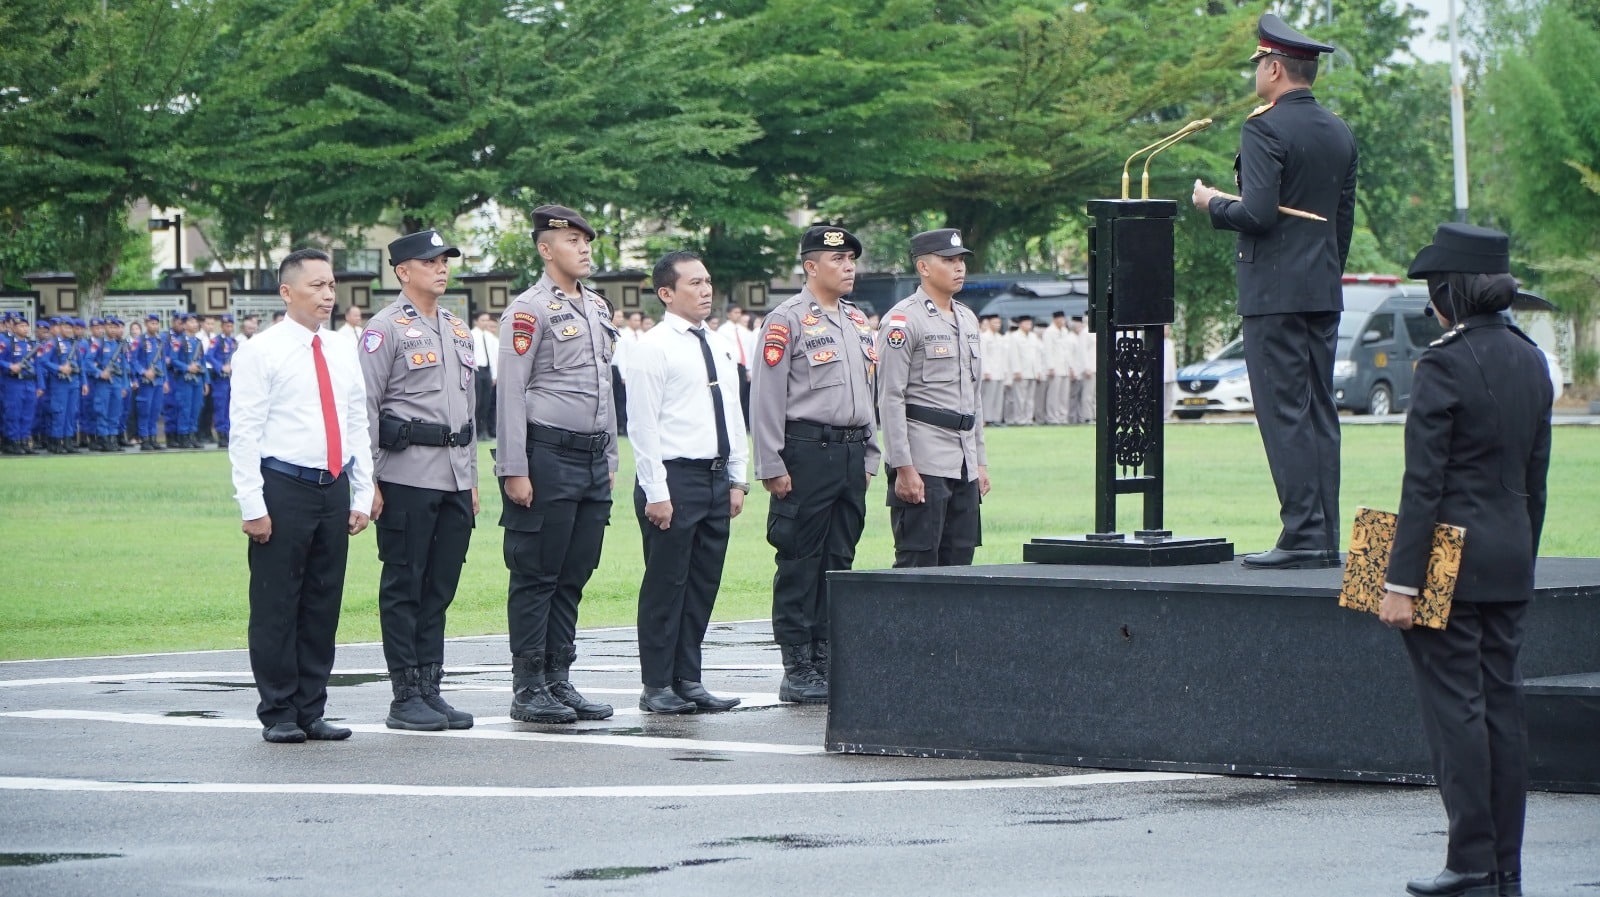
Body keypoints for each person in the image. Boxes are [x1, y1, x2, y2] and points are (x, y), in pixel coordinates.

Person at [1378, 224, 1552, 897]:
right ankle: (1503, 865)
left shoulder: (1443, 364)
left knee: (1457, 712)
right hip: (1509, 554)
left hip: (1445, 561)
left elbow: (1424, 486)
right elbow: (1535, 482)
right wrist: (1520, 559)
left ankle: (1470, 861)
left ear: (1449, 290)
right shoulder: (1530, 359)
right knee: (1503, 712)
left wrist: (1399, 582)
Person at [1192, 12, 1357, 570]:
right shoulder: (1338, 130)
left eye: (1260, 64)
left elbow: (1258, 214)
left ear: (1277, 68)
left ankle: (1302, 534)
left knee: (1284, 412)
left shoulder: (1263, 127)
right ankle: (1322, 532)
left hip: (1274, 294)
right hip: (1320, 288)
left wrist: (1212, 203)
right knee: (1318, 413)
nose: (1256, 73)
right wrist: (1322, 271)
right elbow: (1342, 222)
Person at [228, 248, 374, 744]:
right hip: (283, 486)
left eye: (331, 285)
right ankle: (279, 712)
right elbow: (243, 431)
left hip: (332, 485)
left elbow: (356, 420)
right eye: (316, 285)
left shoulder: (340, 346)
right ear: (287, 292)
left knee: (321, 603)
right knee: (277, 604)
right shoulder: (260, 350)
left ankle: (312, 707)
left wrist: (362, 490)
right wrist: (253, 504)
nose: (327, 295)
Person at [494, 204, 619, 724]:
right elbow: (511, 395)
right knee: (537, 573)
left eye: (587, 241)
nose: (584, 249)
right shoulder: (528, 310)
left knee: (574, 573)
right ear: (546, 250)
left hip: (592, 458)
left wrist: (610, 454)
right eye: (572, 242)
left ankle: (558, 678)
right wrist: (514, 468)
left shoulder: (597, 306)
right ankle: (528, 687)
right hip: (546, 455)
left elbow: (605, 388)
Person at [748, 225, 880, 704]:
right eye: (839, 259)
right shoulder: (786, 321)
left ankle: (826, 655)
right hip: (805, 452)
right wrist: (771, 463)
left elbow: (868, 395)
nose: (849, 267)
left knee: (839, 560)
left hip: (849, 453)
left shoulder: (856, 320)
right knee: (800, 561)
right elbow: (765, 398)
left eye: (851, 259)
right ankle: (797, 664)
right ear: (810, 266)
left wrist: (870, 454)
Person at [360, 229, 479, 732]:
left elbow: (469, 410)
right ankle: (404, 694)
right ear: (402, 271)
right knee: (405, 584)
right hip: (406, 474)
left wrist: (471, 478)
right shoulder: (384, 329)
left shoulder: (456, 328)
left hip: (453, 476)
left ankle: (431, 689)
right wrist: (366, 480)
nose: (441, 267)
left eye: (445, 260)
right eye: (429, 261)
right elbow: (364, 406)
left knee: (440, 587)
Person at [627, 250, 749, 714]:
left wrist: (737, 477)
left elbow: (732, 414)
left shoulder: (716, 343)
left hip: (715, 477)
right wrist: (656, 491)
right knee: (666, 583)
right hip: (674, 477)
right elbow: (642, 426)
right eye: (694, 283)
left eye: (708, 281)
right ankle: (657, 683)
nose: (705, 290)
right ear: (666, 293)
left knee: (702, 583)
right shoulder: (652, 347)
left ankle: (688, 677)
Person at [876, 229, 991, 568]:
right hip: (924, 458)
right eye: (949, 260)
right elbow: (890, 398)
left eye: (961, 261)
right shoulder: (903, 320)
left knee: (960, 561)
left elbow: (974, 398)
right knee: (918, 561)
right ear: (924, 267)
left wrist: (980, 461)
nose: (959, 268)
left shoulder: (967, 318)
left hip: (963, 460)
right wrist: (903, 468)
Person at [717, 304, 758, 429]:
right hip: (731, 365)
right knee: (735, 394)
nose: (738, 315)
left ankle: (746, 424)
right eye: (735, 312)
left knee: (746, 396)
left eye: (739, 312)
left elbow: (748, 350)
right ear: (728, 314)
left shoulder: (743, 330)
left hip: (743, 365)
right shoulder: (723, 330)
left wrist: (749, 368)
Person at [133, 314, 168, 451]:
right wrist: (143, 371)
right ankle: (144, 439)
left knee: (155, 411)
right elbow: (133, 360)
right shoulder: (139, 340)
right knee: (144, 411)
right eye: (151, 323)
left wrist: (165, 380)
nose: (154, 326)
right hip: (146, 382)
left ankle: (153, 438)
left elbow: (163, 361)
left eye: (156, 323)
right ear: (146, 324)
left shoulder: (160, 341)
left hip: (158, 381)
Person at [205, 314, 238, 448]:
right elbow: (208, 356)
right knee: (220, 408)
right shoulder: (216, 340)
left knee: (230, 408)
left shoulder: (234, 342)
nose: (229, 328)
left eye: (231, 326)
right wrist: (220, 367)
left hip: (232, 379)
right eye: (226, 326)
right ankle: (221, 435)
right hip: (220, 380)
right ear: (222, 326)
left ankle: (229, 432)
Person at [1003, 316, 1041, 425]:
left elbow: (1036, 356)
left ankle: (1028, 418)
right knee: (1020, 398)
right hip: (1021, 372)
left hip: (1032, 372)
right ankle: (1019, 419)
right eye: (1027, 323)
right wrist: (1016, 370)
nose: (1029, 325)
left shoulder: (1033, 337)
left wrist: (1038, 371)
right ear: (1020, 324)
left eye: (1030, 323)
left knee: (1030, 398)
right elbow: (1014, 355)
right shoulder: (1015, 337)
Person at [470, 311, 498, 441]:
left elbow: (493, 357)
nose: (486, 323)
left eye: (487, 320)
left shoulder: (489, 337)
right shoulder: (471, 335)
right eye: (483, 320)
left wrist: (494, 374)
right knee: (477, 401)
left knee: (487, 402)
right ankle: (475, 431)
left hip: (487, 370)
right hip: (476, 370)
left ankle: (484, 431)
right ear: (476, 321)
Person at [977, 313, 1007, 427]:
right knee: (988, 397)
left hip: (999, 371)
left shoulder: (1000, 338)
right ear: (989, 323)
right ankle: (987, 419)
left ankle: (996, 418)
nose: (997, 325)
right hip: (990, 372)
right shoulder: (984, 337)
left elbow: (1003, 356)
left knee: (998, 397)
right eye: (995, 322)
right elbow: (983, 355)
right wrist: (986, 371)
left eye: (999, 323)